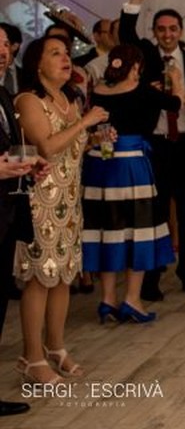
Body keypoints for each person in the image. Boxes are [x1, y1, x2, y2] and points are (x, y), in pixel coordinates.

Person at [118, 0, 185, 299]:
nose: (167, 34)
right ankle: (152, 280)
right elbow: (126, 32)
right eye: (161, 29)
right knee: (155, 214)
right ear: (155, 33)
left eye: (173, 29)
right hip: (156, 145)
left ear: (181, 31)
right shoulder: (144, 57)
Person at [15, 37, 108, 383]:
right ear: (36, 64)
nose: (65, 58)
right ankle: (31, 356)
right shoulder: (29, 101)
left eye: (67, 53)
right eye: (55, 53)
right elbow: (48, 146)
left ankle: (56, 347)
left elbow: (72, 149)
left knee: (64, 277)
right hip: (39, 201)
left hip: (68, 202)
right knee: (39, 278)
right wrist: (85, 124)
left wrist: (95, 139)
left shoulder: (70, 100)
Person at [84, 44, 179, 323]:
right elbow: (174, 105)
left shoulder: (98, 91)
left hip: (100, 164)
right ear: (135, 66)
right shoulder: (145, 92)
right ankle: (132, 299)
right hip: (132, 164)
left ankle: (107, 299)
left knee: (107, 228)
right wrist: (178, 83)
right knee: (139, 229)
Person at [0, 31, 35, 414]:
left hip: (7, 211)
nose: (2, 55)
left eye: (5, 49)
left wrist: (28, 165)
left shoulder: (3, 95)